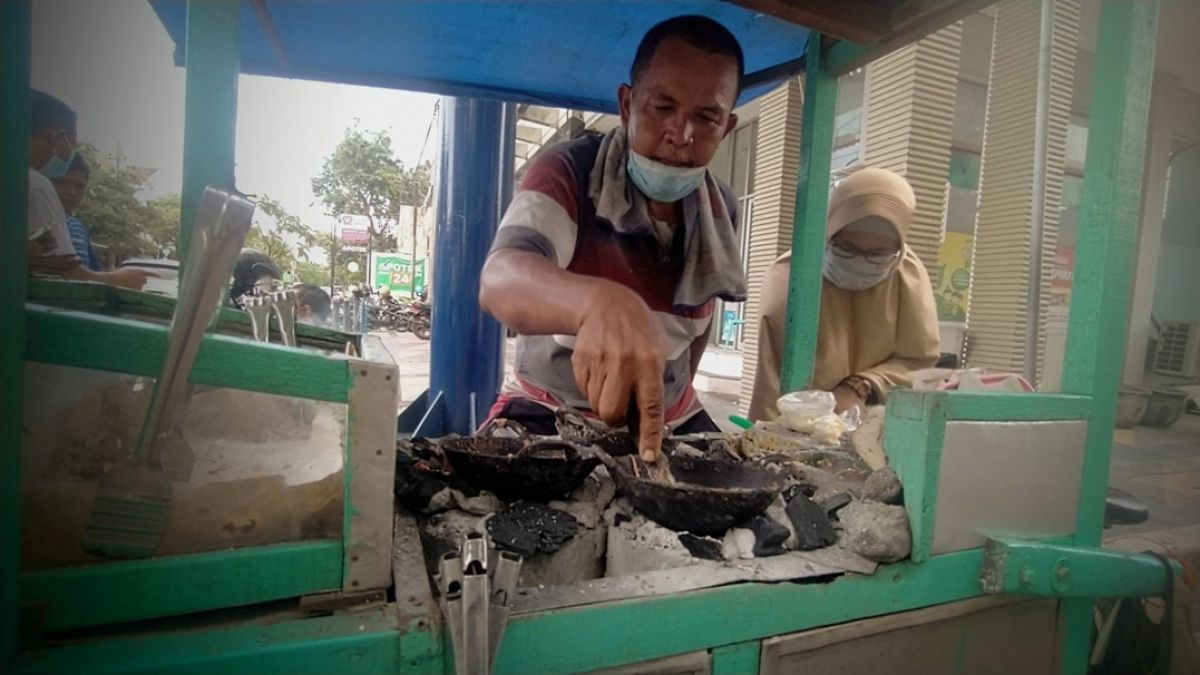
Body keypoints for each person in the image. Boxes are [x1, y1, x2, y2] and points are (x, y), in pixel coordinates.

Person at [479, 16, 747, 462]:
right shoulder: (568, 171)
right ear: (626, 105)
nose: (681, 136)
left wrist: (668, 395)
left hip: (669, 413)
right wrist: (597, 303)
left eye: (706, 118)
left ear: (727, 127)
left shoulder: (722, 210)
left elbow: (701, 319)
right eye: (663, 107)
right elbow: (500, 278)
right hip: (551, 406)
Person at [748, 167, 940, 420]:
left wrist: (862, 385)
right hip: (800, 424)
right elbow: (770, 380)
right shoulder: (791, 278)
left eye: (877, 254)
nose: (860, 261)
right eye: (846, 247)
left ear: (898, 248)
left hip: (878, 427)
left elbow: (918, 362)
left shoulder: (908, 278)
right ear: (828, 233)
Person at [27, 90, 148, 289]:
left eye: (79, 187)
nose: (67, 155)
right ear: (57, 137)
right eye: (70, 145)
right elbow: (67, 273)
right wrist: (118, 279)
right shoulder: (36, 185)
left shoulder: (76, 226)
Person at [52, 153, 101, 271]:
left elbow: (93, 275)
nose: (71, 192)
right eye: (63, 183)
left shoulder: (78, 227)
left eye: (80, 187)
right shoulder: (37, 221)